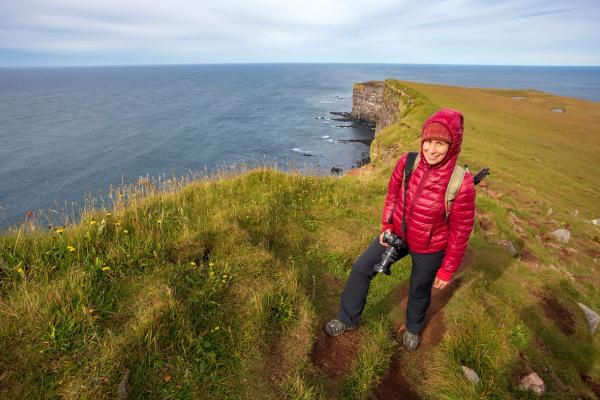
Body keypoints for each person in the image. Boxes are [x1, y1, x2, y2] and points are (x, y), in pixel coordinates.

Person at [325, 108, 476, 351]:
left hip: (430, 245)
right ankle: (347, 319)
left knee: (419, 287)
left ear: (453, 146)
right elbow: (393, 195)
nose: (431, 149)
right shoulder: (407, 162)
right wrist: (386, 225)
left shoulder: (461, 182)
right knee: (361, 268)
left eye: (440, 143)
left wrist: (447, 269)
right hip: (397, 233)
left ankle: (413, 329)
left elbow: (460, 232)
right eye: (428, 141)